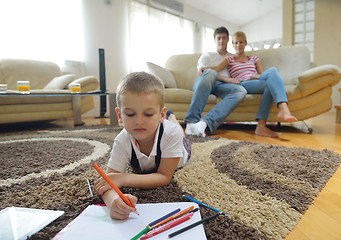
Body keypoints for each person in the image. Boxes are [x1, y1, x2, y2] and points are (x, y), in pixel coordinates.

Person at [94, 71, 191, 219]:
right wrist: (113, 200)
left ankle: (172, 118)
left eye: (148, 114)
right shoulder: (122, 140)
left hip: (180, 147)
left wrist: (122, 178)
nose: (139, 121)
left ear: (160, 114)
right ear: (120, 115)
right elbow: (108, 182)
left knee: (180, 131)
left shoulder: (171, 135)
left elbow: (164, 177)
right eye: (131, 114)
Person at [206, 31, 297, 138]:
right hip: (243, 84)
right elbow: (216, 69)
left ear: (245, 43)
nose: (238, 45)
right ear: (233, 45)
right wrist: (204, 68)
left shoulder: (254, 59)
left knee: (271, 79)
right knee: (273, 71)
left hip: (256, 80)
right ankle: (284, 108)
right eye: (235, 43)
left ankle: (261, 126)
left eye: (241, 42)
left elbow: (264, 75)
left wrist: (255, 76)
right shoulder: (230, 59)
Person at [184, 26, 247, 137]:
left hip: (221, 87)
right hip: (204, 83)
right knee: (211, 73)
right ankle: (191, 122)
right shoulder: (207, 55)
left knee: (241, 91)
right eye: (218, 38)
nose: (221, 41)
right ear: (214, 40)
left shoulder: (232, 58)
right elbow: (203, 72)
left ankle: (204, 123)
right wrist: (227, 79)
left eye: (224, 38)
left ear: (228, 39)